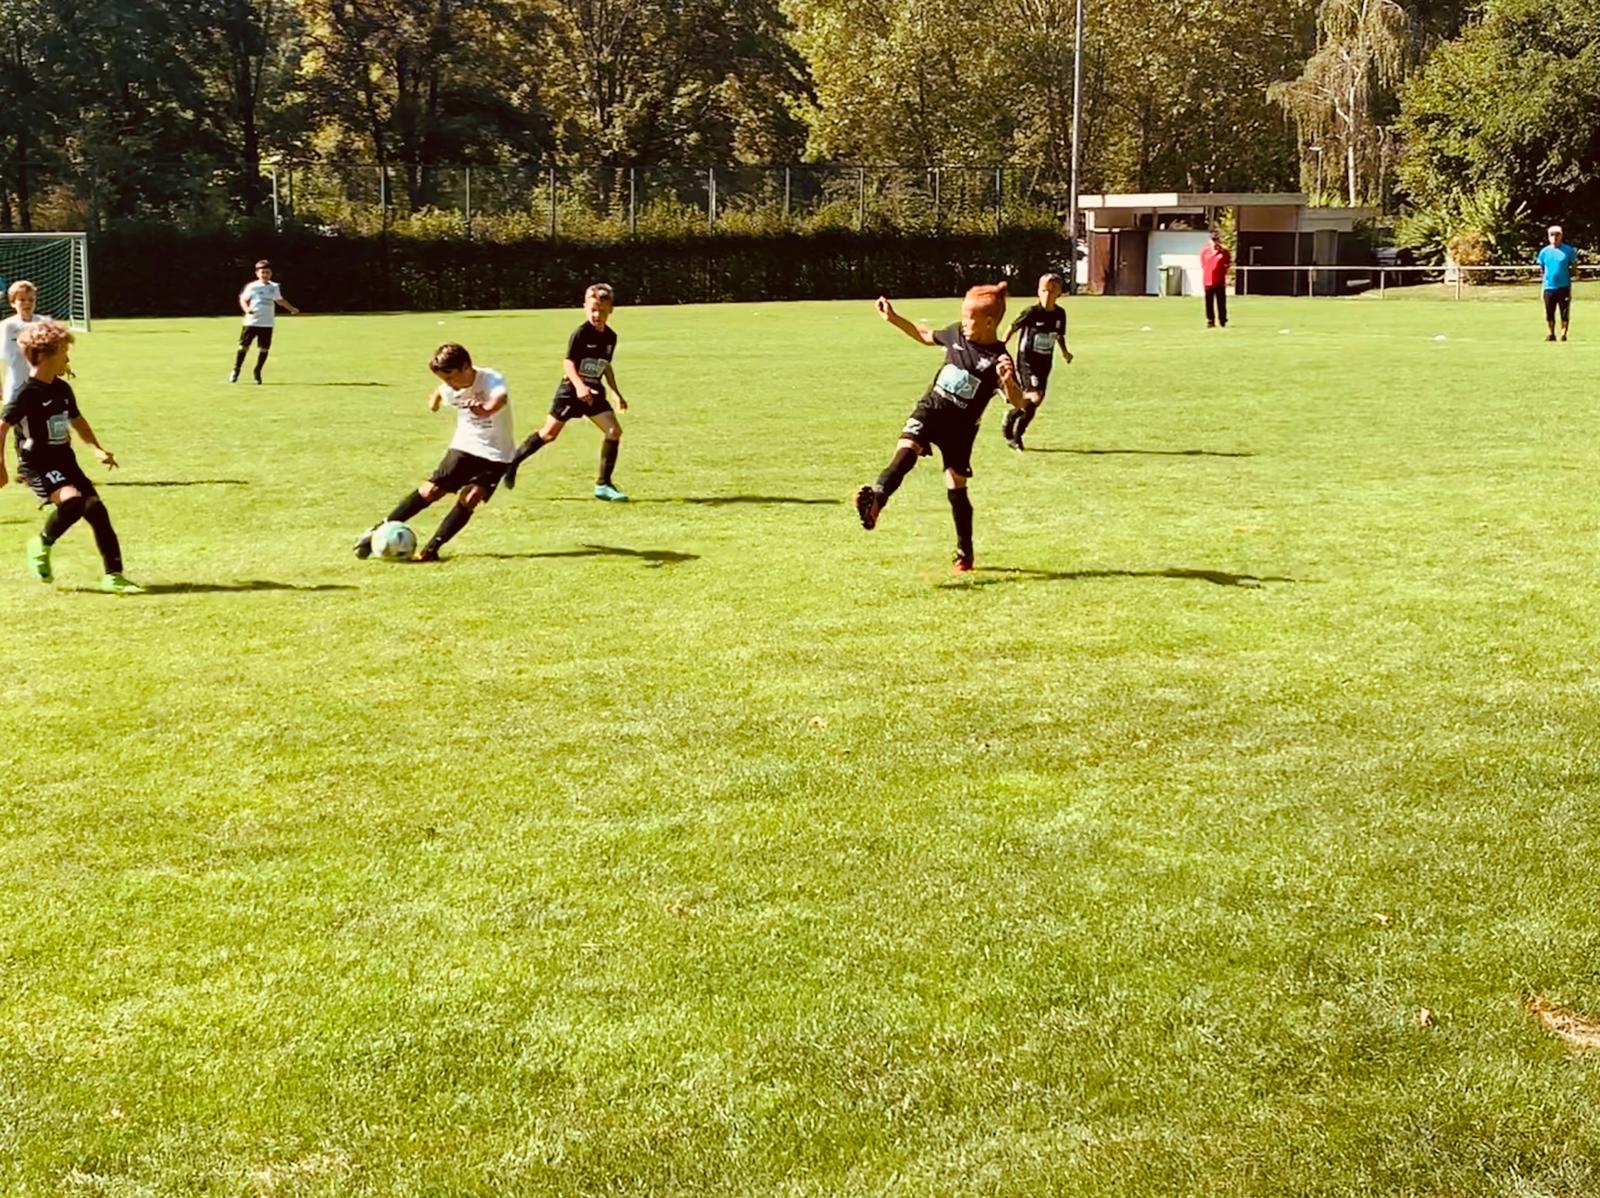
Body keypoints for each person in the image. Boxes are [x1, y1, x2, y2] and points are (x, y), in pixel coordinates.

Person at [853, 283, 1024, 574]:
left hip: (960, 430)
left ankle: (964, 553)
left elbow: (1017, 402)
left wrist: (1008, 382)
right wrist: (893, 318)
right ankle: (876, 502)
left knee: (956, 485)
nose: (963, 322)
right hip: (931, 409)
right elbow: (925, 335)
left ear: (989, 322)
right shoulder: (956, 333)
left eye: (969, 317)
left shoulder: (999, 358)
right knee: (906, 449)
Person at [0, 321, 142, 592]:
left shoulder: (62, 389)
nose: (67, 357)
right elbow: (2, 427)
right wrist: (1, 465)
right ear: (46, 355)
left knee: (97, 511)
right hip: (37, 464)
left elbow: (77, 421)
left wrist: (97, 448)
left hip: (65, 460)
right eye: (64, 351)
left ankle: (114, 577)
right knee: (73, 501)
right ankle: (41, 543)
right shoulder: (26, 394)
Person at [353, 343, 513, 563]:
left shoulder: (491, 378)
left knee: (471, 498)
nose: (448, 384)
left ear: (466, 367)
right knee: (432, 491)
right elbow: (438, 392)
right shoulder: (450, 387)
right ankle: (376, 531)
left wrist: (485, 410)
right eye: (444, 380)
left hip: (499, 453)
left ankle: (431, 550)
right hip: (467, 446)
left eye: (450, 377)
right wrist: (434, 403)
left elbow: (500, 399)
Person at [501, 283, 629, 500]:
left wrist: (616, 393)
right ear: (585, 307)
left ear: (611, 310)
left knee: (613, 431)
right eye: (593, 309)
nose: (597, 315)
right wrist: (579, 386)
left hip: (593, 392)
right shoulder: (581, 333)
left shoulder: (611, 337)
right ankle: (512, 462)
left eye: (602, 310)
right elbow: (568, 363)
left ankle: (603, 485)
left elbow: (605, 365)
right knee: (549, 434)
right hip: (571, 391)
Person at [1001, 272, 1072, 451]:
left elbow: (1058, 335)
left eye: (1052, 291)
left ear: (1059, 293)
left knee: (1034, 402)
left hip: (1045, 361)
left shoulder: (1060, 314)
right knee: (1035, 396)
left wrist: (1065, 352)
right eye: (1044, 290)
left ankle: (1011, 416)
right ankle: (1016, 436)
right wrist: (1001, 346)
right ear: (1038, 291)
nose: (1047, 294)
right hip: (1027, 360)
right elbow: (1012, 327)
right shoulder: (1031, 312)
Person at [231, 259, 299, 383]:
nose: (265, 275)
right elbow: (243, 299)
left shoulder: (274, 287)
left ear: (271, 273)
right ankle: (236, 370)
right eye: (262, 272)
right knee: (243, 346)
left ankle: (257, 371)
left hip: (267, 323)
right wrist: (247, 310)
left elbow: (279, 300)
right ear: (257, 273)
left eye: (267, 272)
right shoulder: (252, 286)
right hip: (252, 322)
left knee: (264, 349)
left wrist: (292, 309)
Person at [1, 280, 50, 403]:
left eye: (31, 300)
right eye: (22, 300)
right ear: (13, 303)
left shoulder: (45, 323)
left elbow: (54, 354)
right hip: (16, 383)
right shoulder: (8, 326)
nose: (27, 303)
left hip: (42, 385)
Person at [1537, 225, 1578, 341]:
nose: (1555, 237)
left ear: (1561, 236)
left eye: (1557, 235)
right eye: (1552, 235)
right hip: (1549, 287)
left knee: (1564, 311)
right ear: (1548, 236)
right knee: (1549, 311)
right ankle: (1551, 334)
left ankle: (1563, 334)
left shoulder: (1568, 250)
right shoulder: (1544, 252)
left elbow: (1573, 266)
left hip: (1563, 286)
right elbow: (1542, 268)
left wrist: (1569, 275)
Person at [1200, 229, 1232, 328]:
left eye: (1216, 240)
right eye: (1213, 240)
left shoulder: (1224, 252)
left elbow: (1227, 264)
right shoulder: (1205, 252)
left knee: (1221, 302)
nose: (1214, 242)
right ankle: (1210, 320)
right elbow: (1203, 264)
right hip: (1208, 281)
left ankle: (1222, 320)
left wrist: (1223, 273)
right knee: (1208, 302)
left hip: (1219, 281)